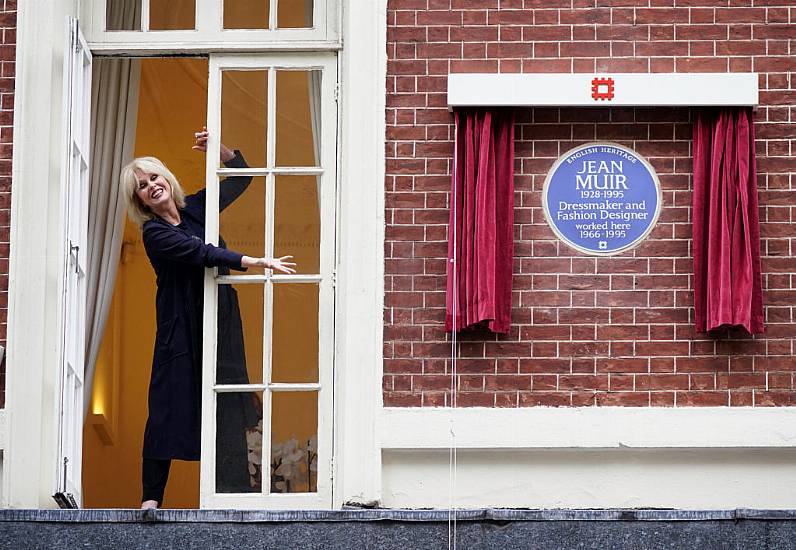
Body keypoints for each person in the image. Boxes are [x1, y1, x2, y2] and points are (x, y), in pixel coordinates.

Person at [121, 129, 295, 509]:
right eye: (142, 186)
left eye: (154, 177)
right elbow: (198, 252)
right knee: (168, 403)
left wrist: (220, 149)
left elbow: (243, 178)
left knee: (228, 403)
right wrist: (252, 260)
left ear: (167, 179)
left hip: (221, 320)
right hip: (181, 328)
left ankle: (233, 493)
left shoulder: (195, 210)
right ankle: (152, 497)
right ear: (138, 200)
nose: (151, 186)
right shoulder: (154, 233)